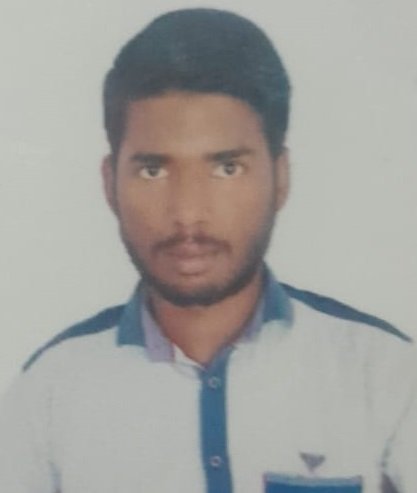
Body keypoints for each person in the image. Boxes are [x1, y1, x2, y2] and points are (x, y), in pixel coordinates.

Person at [0, 8, 415, 493]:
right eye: (153, 170)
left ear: (280, 177)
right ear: (110, 184)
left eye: (226, 168)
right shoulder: (50, 391)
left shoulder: (383, 374)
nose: (188, 213)